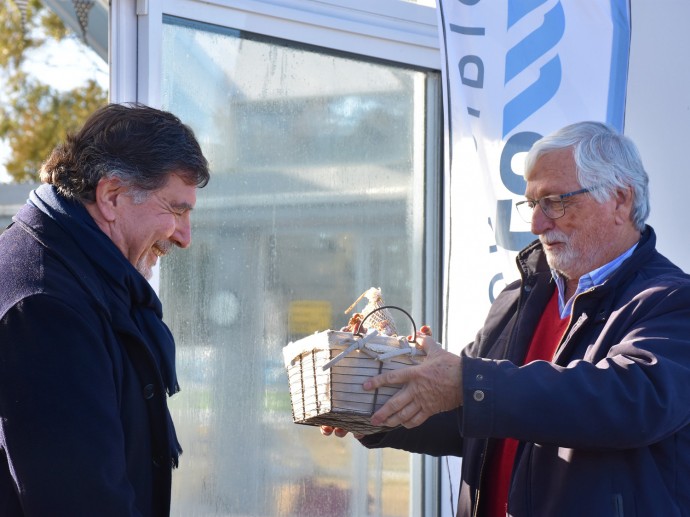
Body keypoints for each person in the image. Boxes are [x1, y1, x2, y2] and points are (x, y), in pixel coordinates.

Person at [322, 121, 690, 515]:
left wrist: (468, 381)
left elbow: (629, 402)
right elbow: (468, 416)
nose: (536, 224)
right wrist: (375, 408)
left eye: (555, 201)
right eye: (532, 203)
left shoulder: (671, 300)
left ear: (619, 200)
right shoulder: (518, 298)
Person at [0, 103, 210, 516]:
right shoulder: (46, 306)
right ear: (111, 196)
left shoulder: (76, 272)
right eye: (176, 209)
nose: (185, 237)